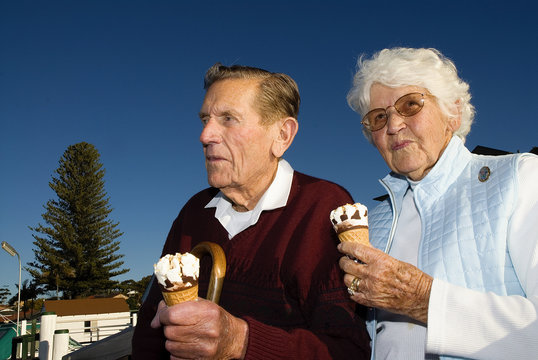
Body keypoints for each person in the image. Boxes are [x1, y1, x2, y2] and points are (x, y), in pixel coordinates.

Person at [132, 63, 371, 359]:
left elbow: (348, 351)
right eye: (205, 119)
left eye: (228, 119)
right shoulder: (193, 213)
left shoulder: (323, 208)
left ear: (282, 135)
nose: (205, 136)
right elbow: (148, 335)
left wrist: (240, 341)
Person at [339, 47, 538, 359]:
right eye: (379, 117)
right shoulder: (373, 222)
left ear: (453, 113)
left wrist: (423, 299)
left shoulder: (521, 179)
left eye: (409, 105)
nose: (393, 126)